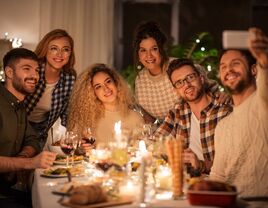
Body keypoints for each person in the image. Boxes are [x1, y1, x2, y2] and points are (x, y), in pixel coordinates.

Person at [133, 21, 230, 124]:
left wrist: (223, 95)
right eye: (143, 50)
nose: (149, 56)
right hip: (166, 132)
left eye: (154, 49)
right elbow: (147, 116)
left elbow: (211, 91)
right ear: (138, 54)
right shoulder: (140, 81)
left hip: (195, 125)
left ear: (162, 49)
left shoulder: (179, 69)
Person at [210, 28, 268, 197]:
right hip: (231, 203)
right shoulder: (222, 126)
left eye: (235, 63)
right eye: (223, 67)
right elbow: (218, 176)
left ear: (254, 70)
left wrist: (264, 60)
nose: (228, 70)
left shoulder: (262, 103)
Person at [154, 58, 232, 175]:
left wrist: (200, 165)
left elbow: (232, 163)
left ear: (201, 78)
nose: (187, 85)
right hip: (186, 181)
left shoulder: (224, 111)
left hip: (217, 183)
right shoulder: (177, 112)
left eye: (190, 77)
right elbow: (155, 143)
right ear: (175, 90)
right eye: (179, 83)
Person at [0, 48, 56, 207]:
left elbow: (32, 139)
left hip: (10, 189)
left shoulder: (19, 104)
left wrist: (22, 157)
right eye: (27, 69)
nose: (35, 76)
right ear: (9, 73)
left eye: (37, 71)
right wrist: (29, 163)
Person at [23, 29, 76, 148]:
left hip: (40, 132)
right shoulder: (32, 72)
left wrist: (74, 136)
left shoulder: (69, 80)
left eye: (65, 49)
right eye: (54, 48)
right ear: (45, 50)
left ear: (70, 54)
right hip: (16, 127)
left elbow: (67, 115)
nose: (59, 54)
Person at [67, 63, 144, 145]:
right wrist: (82, 149)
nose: (106, 88)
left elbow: (142, 151)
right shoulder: (85, 119)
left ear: (116, 83)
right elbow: (73, 149)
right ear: (93, 93)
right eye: (98, 87)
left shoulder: (136, 118)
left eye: (108, 81)